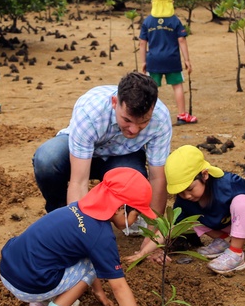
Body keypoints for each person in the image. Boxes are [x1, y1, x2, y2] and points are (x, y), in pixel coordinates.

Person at [0, 167, 166, 306]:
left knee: (60, 254)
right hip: (30, 285)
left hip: (9, 269)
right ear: (120, 208)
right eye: (137, 214)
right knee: (91, 264)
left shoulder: (77, 208)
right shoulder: (100, 236)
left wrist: (98, 291)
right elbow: (119, 287)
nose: (136, 220)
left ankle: (40, 303)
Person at [32, 71, 172, 215]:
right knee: (47, 158)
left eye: (143, 122)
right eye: (127, 120)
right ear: (114, 102)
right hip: (81, 154)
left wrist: (155, 231)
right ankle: (60, 215)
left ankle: (126, 216)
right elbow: (79, 182)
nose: (134, 129)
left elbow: (158, 178)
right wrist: (79, 228)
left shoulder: (160, 119)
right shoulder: (90, 114)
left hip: (122, 156)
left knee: (134, 178)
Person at [162, 145, 245, 274]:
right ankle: (224, 241)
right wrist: (152, 248)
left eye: (190, 189)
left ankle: (236, 254)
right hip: (223, 225)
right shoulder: (185, 200)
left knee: (241, 201)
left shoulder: (227, 183)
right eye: (180, 192)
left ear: (204, 175)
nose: (186, 195)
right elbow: (172, 227)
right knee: (188, 216)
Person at [140, 0, 196, 125]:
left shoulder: (148, 21)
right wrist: (187, 60)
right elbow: (181, 40)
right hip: (172, 60)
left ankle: (148, 116)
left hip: (153, 60)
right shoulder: (174, 21)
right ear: (171, 2)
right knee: (177, 86)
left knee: (152, 89)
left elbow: (142, 43)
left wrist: (143, 62)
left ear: (153, 1)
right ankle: (182, 115)